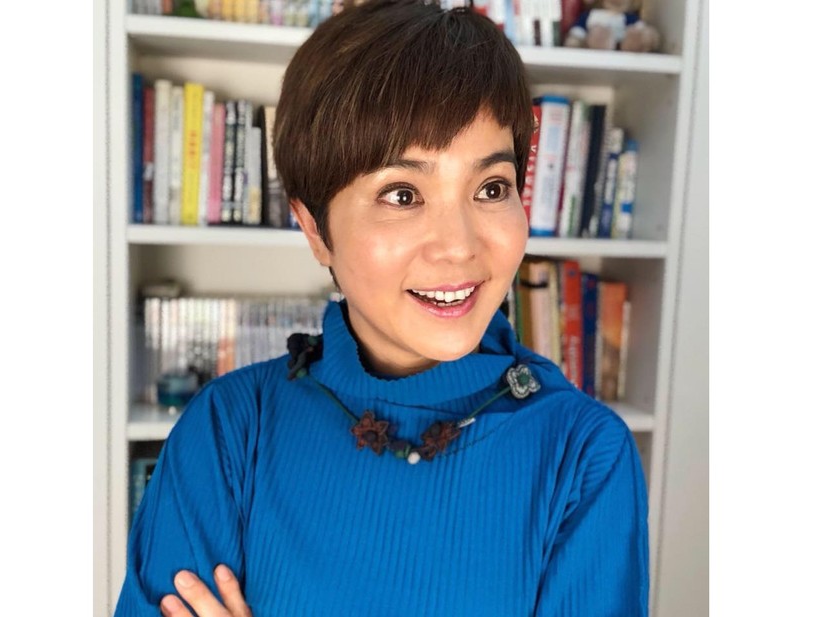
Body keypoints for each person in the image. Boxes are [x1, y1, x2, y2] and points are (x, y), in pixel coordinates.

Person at [115, 0, 649, 615]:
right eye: (402, 194)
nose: (460, 246)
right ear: (315, 230)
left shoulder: (584, 455)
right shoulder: (230, 429)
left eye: (491, 188)